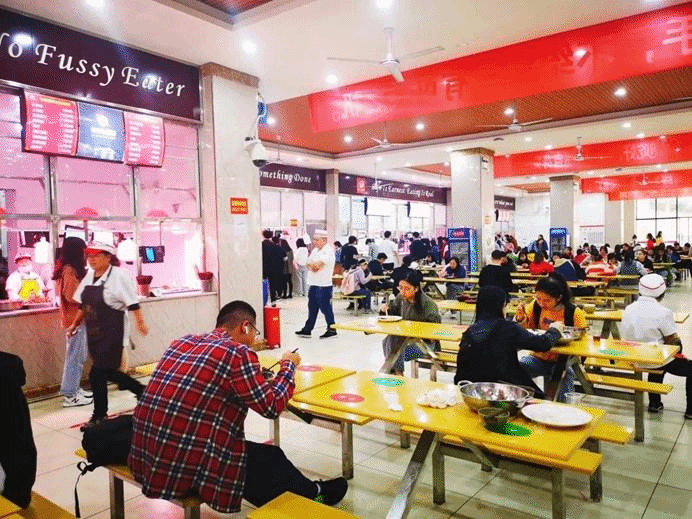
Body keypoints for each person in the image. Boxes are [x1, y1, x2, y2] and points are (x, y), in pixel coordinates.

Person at [129, 301, 347, 513]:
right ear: (245, 326)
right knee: (270, 459)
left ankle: (302, 494)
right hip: (183, 463)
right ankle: (315, 493)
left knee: (260, 457)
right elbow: (272, 406)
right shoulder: (237, 352)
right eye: (255, 332)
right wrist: (288, 365)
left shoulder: (182, 342)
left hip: (146, 454)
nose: (254, 340)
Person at [66, 242, 149, 428]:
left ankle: (99, 415)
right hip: (95, 334)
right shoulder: (89, 276)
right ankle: (142, 391)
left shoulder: (119, 275)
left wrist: (140, 323)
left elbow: (132, 302)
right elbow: (83, 305)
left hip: (113, 332)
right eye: (89, 256)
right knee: (109, 372)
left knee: (96, 374)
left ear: (108, 257)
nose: (91, 259)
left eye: (96, 255)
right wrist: (74, 324)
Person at [454, 285, 563, 397]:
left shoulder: (469, 332)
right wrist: (555, 330)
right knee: (542, 397)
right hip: (504, 391)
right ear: (501, 306)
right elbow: (542, 344)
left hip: (471, 391)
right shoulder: (507, 328)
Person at [621, 274, 692, 418]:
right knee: (666, 359)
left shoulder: (628, 308)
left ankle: (655, 403)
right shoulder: (663, 312)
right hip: (653, 359)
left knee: (657, 357)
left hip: (632, 356)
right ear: (662, 293)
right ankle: (690, 410)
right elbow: (672, 341)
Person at [516, 273, 586, 402]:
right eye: (538, 298)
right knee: (516, 369)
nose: (541, 303)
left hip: (562, 360)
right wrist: (521, 319)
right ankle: (528, 403)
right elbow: (527, 331)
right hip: (538, 358)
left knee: (563, 377)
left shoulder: (574, 313)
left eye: (547, 300)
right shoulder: (535, 306)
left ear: (559, 297)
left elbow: (582, 342)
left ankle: (563, 409)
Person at [53, 237, 92, 407]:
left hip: (76, 320)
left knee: (77, 357)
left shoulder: (67, 269)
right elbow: (71, 296)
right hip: (75, 320)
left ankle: (73, 389)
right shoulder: (69, 270)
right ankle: (70, 395)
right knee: (75, 358)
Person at [379, 271, 441, 375]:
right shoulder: (400, 298)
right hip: (405, 342)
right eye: (400, 288)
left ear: (416, 289)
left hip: (426, 345)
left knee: (393, 348)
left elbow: (434, 333)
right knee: (390, 341)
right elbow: (392, 314)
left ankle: (397, 374)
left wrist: (413, 332)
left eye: (407, 289)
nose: (403, 292)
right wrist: (385, 310)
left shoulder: (428, 305)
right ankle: (397, 373)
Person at [295, 230, 337, 339]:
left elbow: (316, 266)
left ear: (324, 240)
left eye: (316, 240)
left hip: (323, 285)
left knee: (326, 308)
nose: (314, 241)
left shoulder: (328, 251)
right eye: (313, 239)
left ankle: (332, 328)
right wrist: (311, 265)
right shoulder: (315, 251)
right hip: (313, 284)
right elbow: (307, 264)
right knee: (312, 308)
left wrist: (312, 265)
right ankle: (307, 329)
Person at [261, 230, 284, 304]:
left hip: (263, 268)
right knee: (272, 285)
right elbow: (282, 255)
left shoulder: (261, 245)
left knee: (263, 284)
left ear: (263, 235)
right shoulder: (275, 246)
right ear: (271, 236)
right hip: (273, 268)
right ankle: (273, 300)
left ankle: (263, 301)